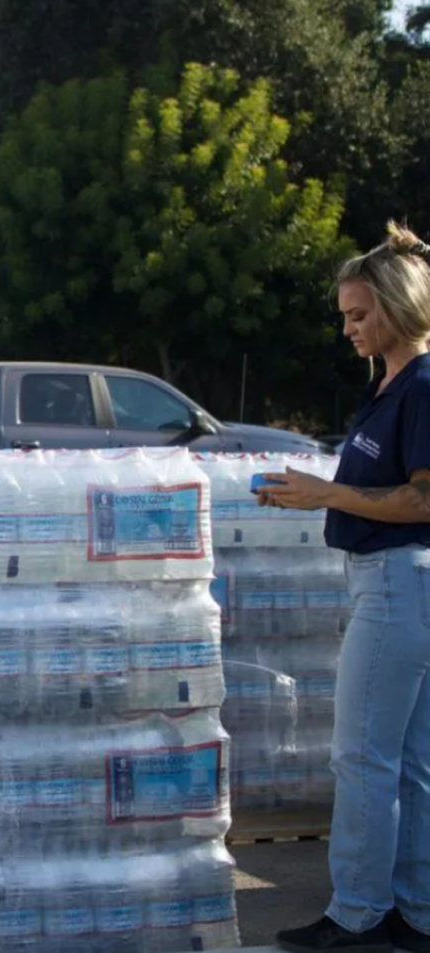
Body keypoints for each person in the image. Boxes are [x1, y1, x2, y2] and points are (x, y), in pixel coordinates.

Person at [260, 222, 430, 953]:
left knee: (361, 755)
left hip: (397, 579)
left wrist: (323, 494)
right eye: (344, 317)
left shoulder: (422, 387)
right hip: (396, 581)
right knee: (411, 761)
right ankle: (417, 913)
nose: (349, 329)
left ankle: (358, 916)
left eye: (359, 315)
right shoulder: (389, 386)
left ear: (398, 307)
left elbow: (422, 500)